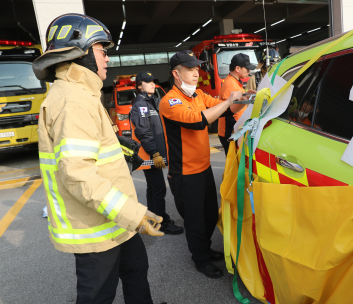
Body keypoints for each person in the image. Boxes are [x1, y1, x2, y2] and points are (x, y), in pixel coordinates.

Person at [32, 14, 166, 304]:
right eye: (102, 50)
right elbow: (79, 174)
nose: (107, 58)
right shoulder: (73, 101)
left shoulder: (82, 94)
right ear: (80, 54)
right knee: (97, 295)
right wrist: (135, 214)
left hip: (114, 219)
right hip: (95, 228)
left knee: (135, 269)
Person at [159, 50, 245, 278]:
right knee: (195, 221)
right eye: (190, 69)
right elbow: (198, 122)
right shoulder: (170, 101)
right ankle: (200, 259)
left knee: (208, 215)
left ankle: (205, 250)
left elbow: (225, 110)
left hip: (204, 169)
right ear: (176, 74)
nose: (196, 73)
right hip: (185, 174)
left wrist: (242, 99)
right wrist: (228, 100)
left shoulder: (198, 95)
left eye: (197, 68)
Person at [130, 71, 184, 235]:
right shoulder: (141, 104)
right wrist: (154, 152)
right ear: (139, 86)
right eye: (148, 82)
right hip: (149, 155)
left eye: (153, 81)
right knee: (159, 188)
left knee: (153, 188)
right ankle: (163, 222)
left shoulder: (152, 102)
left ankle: (154, 220)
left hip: (152, 154)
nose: (153, 84)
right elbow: (143, 131)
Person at [218, 53, 256, 155]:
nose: (249, 71)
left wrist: (247, 94)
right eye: (247, 68)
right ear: (238, 68)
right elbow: (230, 113)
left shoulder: (235, 81)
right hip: (231, 132)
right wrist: (241, 130)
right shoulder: (231, 84)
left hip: (233, 130)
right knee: (235, 165)